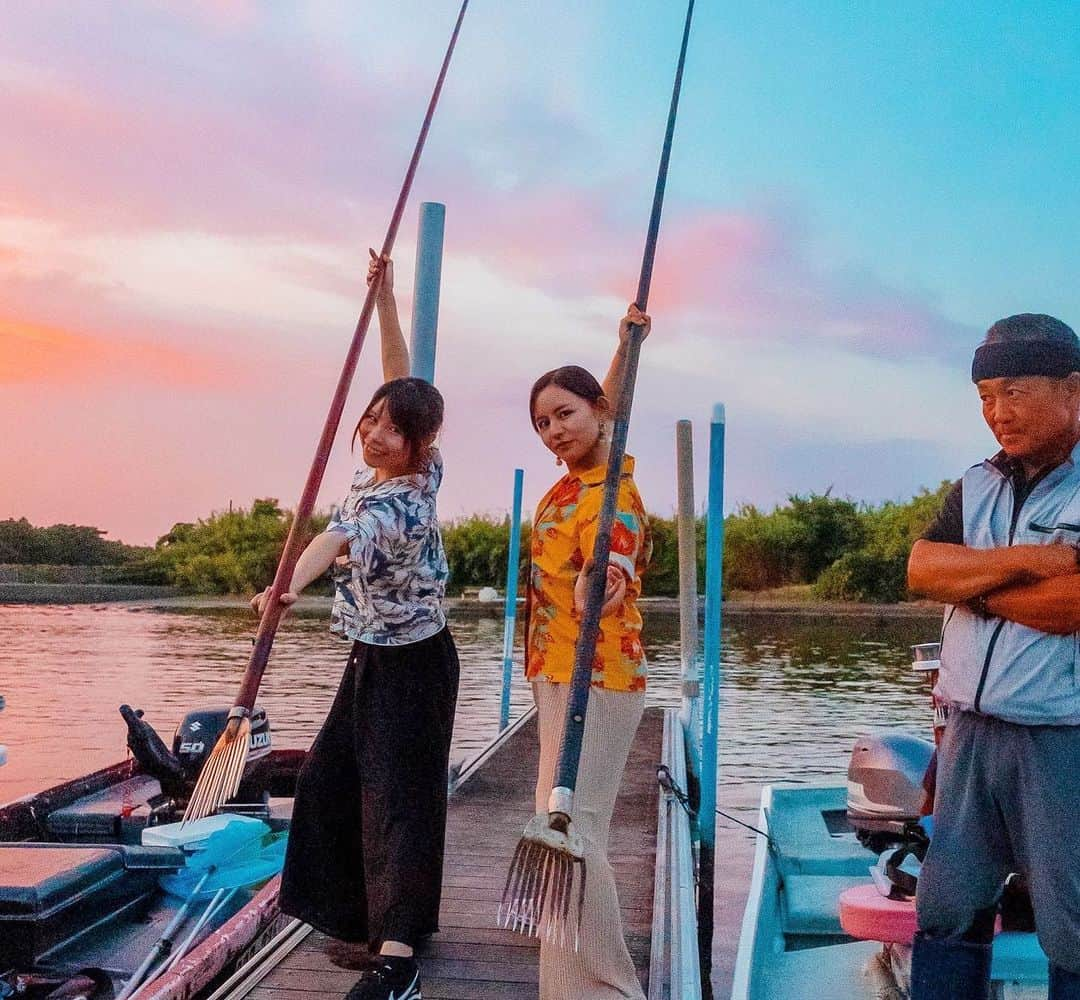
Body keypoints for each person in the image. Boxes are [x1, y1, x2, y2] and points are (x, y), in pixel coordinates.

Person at [251, 252, 458, 1000]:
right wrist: (387, 302)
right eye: (371, 420)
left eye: (390, 431)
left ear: (418, 446)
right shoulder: (415, 466)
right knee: (331, 779)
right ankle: (366, 922)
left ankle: (397, 956)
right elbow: (405, 379)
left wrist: (283, 586)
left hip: (414, 663)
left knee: (400, 797)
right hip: (375, 655)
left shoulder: (391, 506)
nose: (373, 434)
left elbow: (330, 542)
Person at [907, 313, 1080, 1000]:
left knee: (1072, 923)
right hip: (971, 732)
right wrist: (1027, 563)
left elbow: (1070, 608)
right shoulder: (976, 483)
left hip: (1061, 736)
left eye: (1013, 391)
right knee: (947, 907)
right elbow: (922, 568)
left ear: (1072, 387)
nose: (996, 414)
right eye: (984, 397)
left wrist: (971, 586)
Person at [525, 304, 653, 1000]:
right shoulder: (574, 484)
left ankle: (605, 987)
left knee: (576, 824)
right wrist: (624, 343)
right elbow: (610, 407)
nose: (555, 430)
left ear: (598, 412)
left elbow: (616, 558)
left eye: (564, 414)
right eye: (543, 422)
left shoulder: (616, 496)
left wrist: (601, 579)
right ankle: (569, 984)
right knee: (560, 819)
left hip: (597, 678)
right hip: (554, 671)